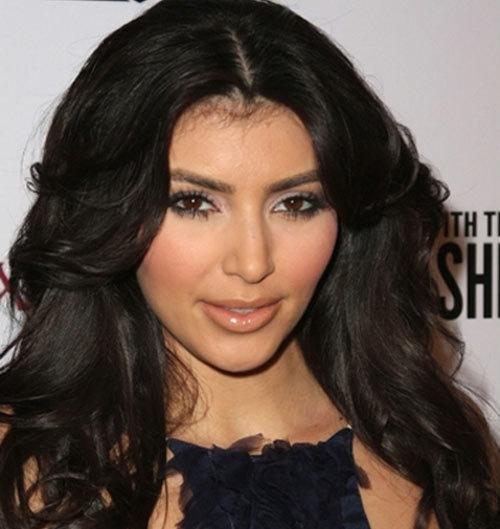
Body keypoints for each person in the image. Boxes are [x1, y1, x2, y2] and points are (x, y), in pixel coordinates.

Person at [0, 0, 498, 528]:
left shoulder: (432, 446)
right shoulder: (22, 462)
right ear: (111, 211)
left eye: (296, 203)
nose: (252, 263)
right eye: (193, 202)